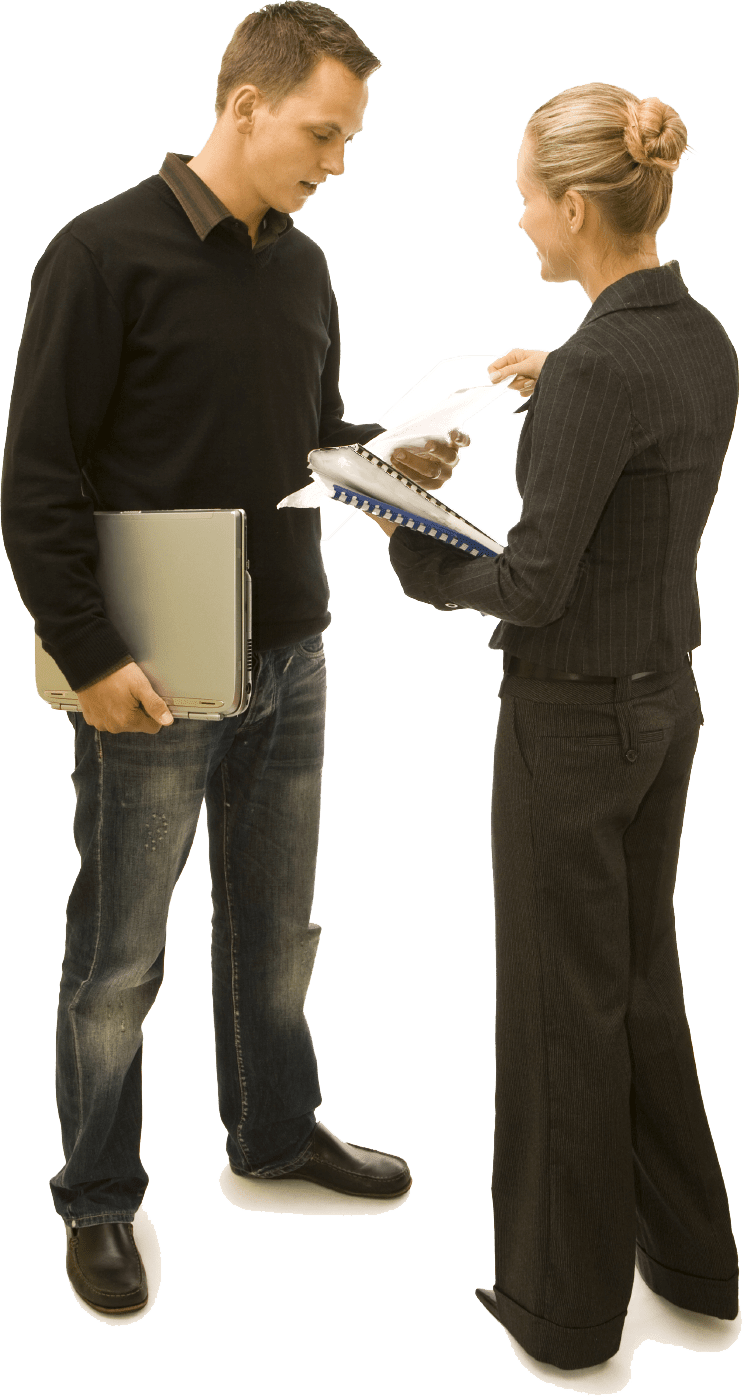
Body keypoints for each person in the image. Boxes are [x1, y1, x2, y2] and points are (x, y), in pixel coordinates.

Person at [0, 2, 466, 1317]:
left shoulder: (307, 268)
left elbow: (304, 440)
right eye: (322, 133)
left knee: (277, 933)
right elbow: (35, 482)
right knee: (119, 955)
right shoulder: (98, 255)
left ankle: (273, 1139)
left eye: (348, 141)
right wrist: (88, 655)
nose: (335, 161)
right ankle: (98, 1199)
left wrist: (392, 459)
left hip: (293, 648)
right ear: (245, 104)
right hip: (153, 664)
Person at [374, 83, 740, 1370]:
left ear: (577, 206)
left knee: (556, 1011)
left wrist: (402, 525)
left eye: (528, 192)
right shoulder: (695, 334)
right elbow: (629, 463)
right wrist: (558, 376)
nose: (519, 212)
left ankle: (565, 1318)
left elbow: (531, 583)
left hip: (570, 724)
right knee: (639, 981)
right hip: (663, 708)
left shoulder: (597, 368)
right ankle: (698, 1276)